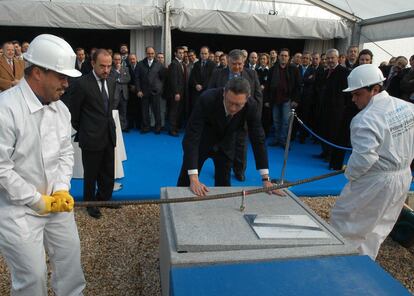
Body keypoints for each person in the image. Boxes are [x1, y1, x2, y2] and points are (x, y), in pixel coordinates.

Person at [0, 34, 85, 295]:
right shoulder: (6, 109)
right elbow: (2, 168)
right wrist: (37, 200)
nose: (66, 84)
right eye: (61, 76)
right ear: (37, 73)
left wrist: (60, 189)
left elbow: (65, 154)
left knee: (71, 267)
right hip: (17, 211)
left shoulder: (61, 110)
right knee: (32, 279)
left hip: (57, 204)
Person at [330, 64, 414, 260]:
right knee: (378, 228)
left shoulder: (365, 119)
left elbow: (364, 158)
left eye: (357, 94)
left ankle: (340, 264)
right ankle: (363, 265)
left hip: (376, 180)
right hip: (402, 177)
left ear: (374, 89)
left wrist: (350, 174)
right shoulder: (408, 107)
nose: (353, 99)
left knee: (346, 223)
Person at [177, 78, 282, 197]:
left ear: (246, 99)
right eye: (229, 102)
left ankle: (222, 212)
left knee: (224, 186)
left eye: (238, 105)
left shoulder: (252, 106)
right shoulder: (207, 99)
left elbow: (258, 139)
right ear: (224, 93)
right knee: (186, 182)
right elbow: (191, 137)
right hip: (201, 142)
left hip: (226, 144)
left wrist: (266, 179)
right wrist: (194, 179)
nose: (232, 108)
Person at [70, 49, 117, 219]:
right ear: (92, 64)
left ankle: (104, 198)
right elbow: (74, 113)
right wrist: (86, 129)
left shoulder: (111, 80)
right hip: (90, 136)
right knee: (91, 173)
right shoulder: (81, 83)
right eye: (102, 66)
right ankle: (90, 203)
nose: (106, 70)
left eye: (109, 66)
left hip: (108, 134)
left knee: (108, 170)